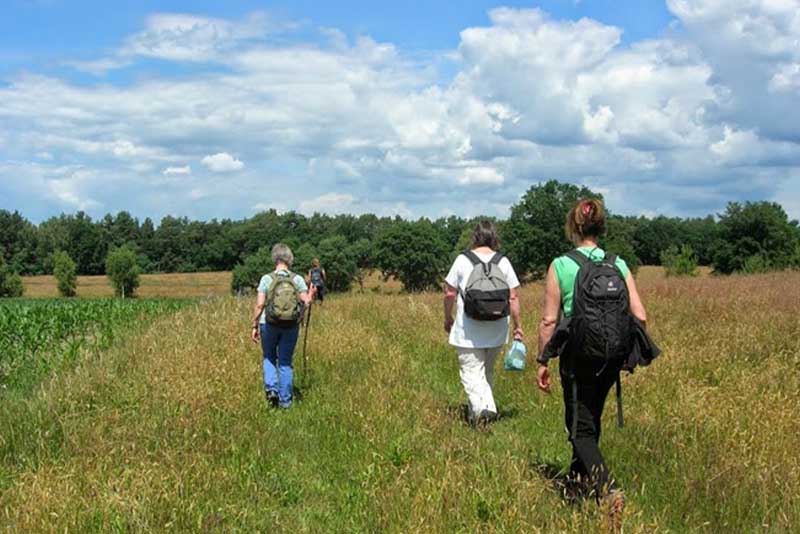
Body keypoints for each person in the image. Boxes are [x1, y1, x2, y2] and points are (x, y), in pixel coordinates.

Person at [535, 199, 648, 529]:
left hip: (577, 356)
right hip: (611, 357)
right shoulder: (618, 264)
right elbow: (640, 315)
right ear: (602, 227)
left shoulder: (561, 264)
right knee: (589, 421)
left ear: (573, 227)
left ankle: (609, 491)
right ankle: (575, 487)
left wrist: (542, 360)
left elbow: (548, 320)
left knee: (579, 429)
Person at [444, 220, 523, 426]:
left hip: (468, 328)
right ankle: (477, 418)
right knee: (486, 372)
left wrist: (447, 317)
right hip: (497, 327)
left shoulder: (462, 260)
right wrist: (518, 327)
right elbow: (513, 297)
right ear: (494, 238)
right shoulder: (503, 261)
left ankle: (485, 409)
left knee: (471, 372)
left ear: (475, 237)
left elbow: (449, 292)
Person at [251, 243, 316, 409]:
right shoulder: (297, 279)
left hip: (269, 323)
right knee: (285, 362)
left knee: (269, 357)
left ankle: (272, 390)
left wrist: (254, 325)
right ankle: (285, 402)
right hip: (290, 325)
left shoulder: (267, 279)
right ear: (289, 259)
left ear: (275, 259)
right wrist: (310, 294)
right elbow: (306, 302)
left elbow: (259, 306)